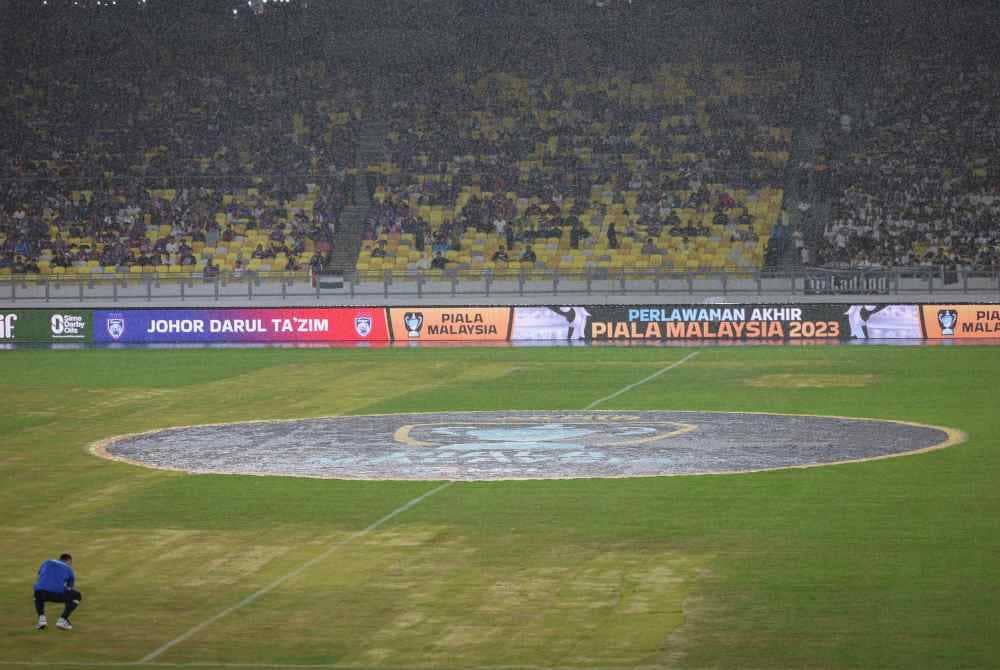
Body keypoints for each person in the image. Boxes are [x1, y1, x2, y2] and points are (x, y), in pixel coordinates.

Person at [34, 553, 81, 630]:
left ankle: (41, 619)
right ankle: (62, 619)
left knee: (38, 590)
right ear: (68, 561)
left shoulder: (46, 562)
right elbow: (70, 588)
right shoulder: (69, 569)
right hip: (57, 594)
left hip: (41, 593)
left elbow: (40, 574)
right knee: (76, 596)